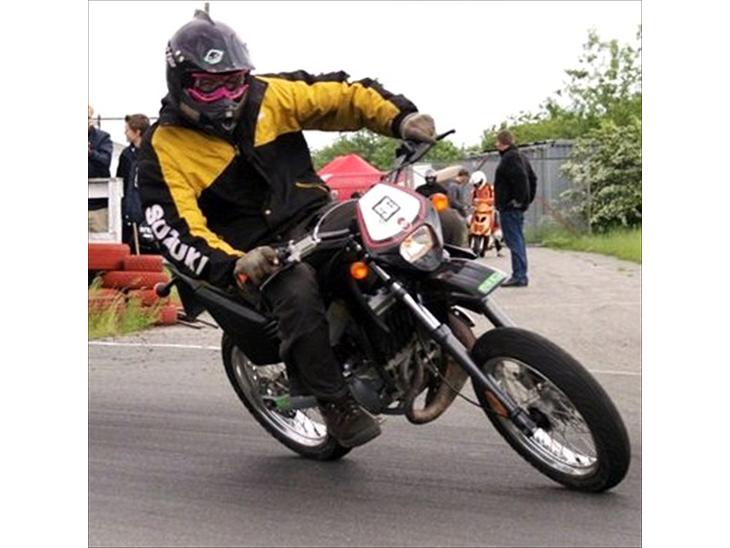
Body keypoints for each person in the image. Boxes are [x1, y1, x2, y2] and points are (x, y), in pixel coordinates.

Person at [137, 10, 437, 448]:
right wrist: (234, 263)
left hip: (315, 216)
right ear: (180, 82)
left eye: (234, 82)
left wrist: (400, 118)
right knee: (295, 289)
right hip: (255, 254)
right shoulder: (163, 147)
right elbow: (173, 229)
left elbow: (341, 96)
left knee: (409, 219)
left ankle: (430, 318)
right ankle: (335, 403)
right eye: (208, 85)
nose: (226, 96)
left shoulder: (271, 94)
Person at [493, 130, 537, 287]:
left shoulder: (510, 158)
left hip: (510, 207)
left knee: (514, 240)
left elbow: (522, 179)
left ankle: (519, 276)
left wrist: (518, 201)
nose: (495, 144)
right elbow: (533, 179)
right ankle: (519, 274)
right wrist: (527, 200)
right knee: (516, 239)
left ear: (502, 143)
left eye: (497, 141)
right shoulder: (520, 156)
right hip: (514, 207)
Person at [116, 113, 151, 251]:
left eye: (128, 130)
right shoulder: (126, 155)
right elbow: (120, 181)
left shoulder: (153, 154)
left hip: (148, 213)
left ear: (137, 132)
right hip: (128, 212)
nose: (125, 132)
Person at [416, 169, 468, 247]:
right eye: (428, 178)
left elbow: (448, 201)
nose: (430, 180)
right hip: (426, 214)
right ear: (426, 178)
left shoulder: (441, 189)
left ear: (435, 178)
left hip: (441, 213)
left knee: (455, 224)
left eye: (432, 178)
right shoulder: (420, 189)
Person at [88, 105, 113, 232]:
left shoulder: (103, 138)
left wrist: (91, 153)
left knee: (100, 241)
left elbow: (105, 161)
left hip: (98, 207)